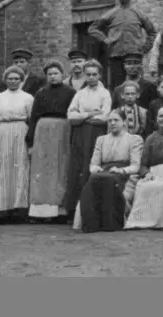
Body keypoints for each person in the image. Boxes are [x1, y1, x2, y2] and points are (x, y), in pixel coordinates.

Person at [0, 67, 35, 223]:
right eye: (10, 78)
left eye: (16, 78)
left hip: (21, 130)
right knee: (2, 166)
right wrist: (2, 132)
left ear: (21, 80)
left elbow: (31, 118)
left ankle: (19, 207)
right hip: (3, 131)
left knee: (20, 167)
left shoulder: (28, 97)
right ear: (5, 80)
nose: (13, 81)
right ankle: (1, 207)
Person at [75, 110, 142, 233]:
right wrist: (95, 169)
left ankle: (111, 222)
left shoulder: (134, 139)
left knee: (109, 181)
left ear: (124, 122)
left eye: (116, 120)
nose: (112, 123)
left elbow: (135, 166)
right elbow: (94, 163)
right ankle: (92, 223)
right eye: (110, 120)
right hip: (103, 173)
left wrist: (121, 170)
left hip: (125, 176)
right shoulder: (101, 140)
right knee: (94, 180)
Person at [26, 60, 76, 223]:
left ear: (62, 74)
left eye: (56, 73)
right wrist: (31, 141)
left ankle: (60, 210)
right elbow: (33, 116)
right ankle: (41, 211)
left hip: (62, 129)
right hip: (43, 131)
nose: (53, 77)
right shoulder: (40, 93)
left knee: (60, 168)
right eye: (50, 74)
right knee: (42, 168)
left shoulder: (70, 92)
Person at [64, 60, 111, 220]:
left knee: (93, 165)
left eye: (94, 74)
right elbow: (71, 116)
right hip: (79, 134)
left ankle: (94, 209)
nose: (91, 77)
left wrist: (82, 116)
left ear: (99, 75)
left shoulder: (104, 93)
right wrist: (89, 114)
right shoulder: (80, 94)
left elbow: (105, 116)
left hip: (96, 134)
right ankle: (74, 210)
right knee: (78, 168)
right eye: (88, 74)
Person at [87, 0, 157, 88]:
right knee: (118, 86)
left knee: (137, 84)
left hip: (135, 56)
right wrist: (104, 39)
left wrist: (144, 48)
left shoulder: (138, 14)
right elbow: (92, 28)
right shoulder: (110, 14)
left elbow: (152, 32)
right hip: (116, 56)